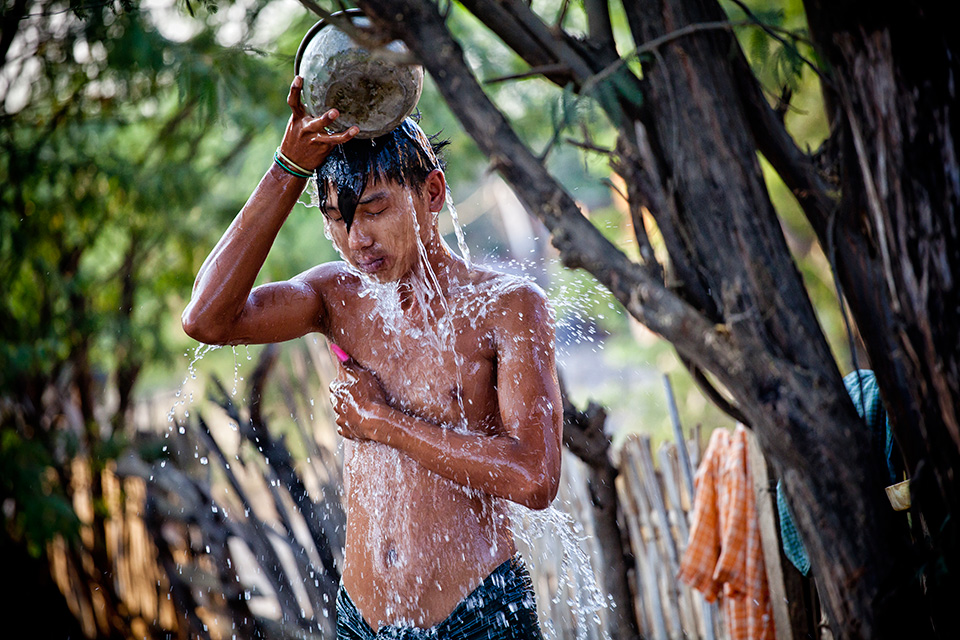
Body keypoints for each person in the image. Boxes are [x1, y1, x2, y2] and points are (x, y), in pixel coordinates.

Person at [182, 76, 562, 639]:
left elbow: (535, 477)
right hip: (360, 621)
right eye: (336, 217)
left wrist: (385, 424)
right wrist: (288, 166)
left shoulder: (505, 307)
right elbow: (207, 318)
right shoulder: (339, 298)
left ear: (431, 195)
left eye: (374, 211)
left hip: (477, 616)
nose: (355, 238)